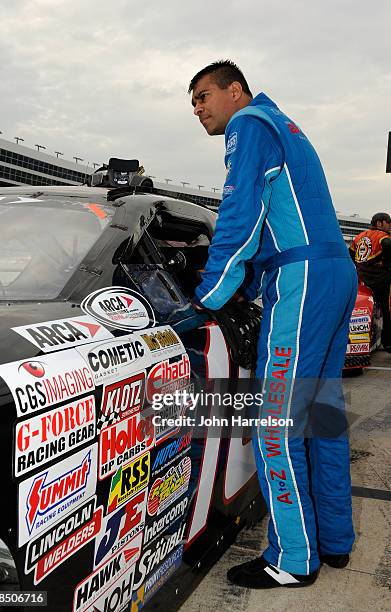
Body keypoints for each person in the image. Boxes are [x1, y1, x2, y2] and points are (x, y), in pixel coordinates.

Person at [188, 60, 358, 589]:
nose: (198, 109)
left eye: (204, 95)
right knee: (321, 415)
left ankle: (293, 558)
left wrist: (209, 296)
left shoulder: (249, 125)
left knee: (276, 422)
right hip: (335, 274)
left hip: (301, 277)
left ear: (235, 91)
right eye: (192, 102)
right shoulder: (284, 123)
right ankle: (334, 541)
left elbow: (240, 213)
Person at [349, 212, 391, 351]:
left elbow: (350, 255)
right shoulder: (384, 238)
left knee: (362, 309)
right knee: (387, 310)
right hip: (381, 281)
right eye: (388, 222)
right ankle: (388, 342)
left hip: (362, 281)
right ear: (379, 223)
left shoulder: (359, 237)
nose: (390, 225)